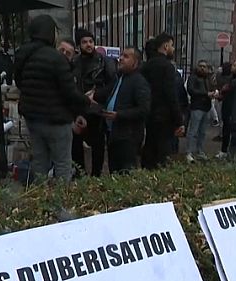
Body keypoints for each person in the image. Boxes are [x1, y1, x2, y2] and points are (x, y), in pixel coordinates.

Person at [14, 15, 90, 183]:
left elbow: (20, 82)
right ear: (49, 33)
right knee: (62, 164)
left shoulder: (23, 55)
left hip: (33, 118)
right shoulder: (56, 59)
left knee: (40, 163)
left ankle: (40, 203)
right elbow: (69, 92)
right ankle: (60, 205)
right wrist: (86, 101)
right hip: (56, 121)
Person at [92, 47, 150, 174]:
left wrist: (119, 115)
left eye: (126, 56)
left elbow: (144, 109)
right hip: (114, 134)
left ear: (135, 63)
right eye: (122, 56)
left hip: (128, 136)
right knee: (115, 172)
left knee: (126, 172)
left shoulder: (139, 81)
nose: (121, 59)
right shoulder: (119, 78)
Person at [71, 29, 116, 177]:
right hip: (78, 108)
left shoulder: (104, 61)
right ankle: (79, 175)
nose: (89, 45)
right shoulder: (74, 62)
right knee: (76, 146)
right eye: (84, 42)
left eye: (90, 41)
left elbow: (111, 84)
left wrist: (96, 95)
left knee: (98, 146)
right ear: (79, 45)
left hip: (96, 109)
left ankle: (96, 176)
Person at [141, 32, 185, 169]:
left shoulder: (146, 66)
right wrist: (179, 120)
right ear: (165, 46)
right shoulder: (167, 67)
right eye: (172, 45)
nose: (173, 49)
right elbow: (171, 95)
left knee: (149, 148)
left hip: (149, 114)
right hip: (164, 117)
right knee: (163, 154)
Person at [186, 60, 216, 162]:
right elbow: (191, 90)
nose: (202, 68)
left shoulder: (207, 78)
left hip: (206, 107)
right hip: (197, 107)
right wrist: (205, 94)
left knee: (202, 132)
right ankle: (189, 152)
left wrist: (213, 93)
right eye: (200, 66)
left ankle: (200, 151)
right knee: (193, 131)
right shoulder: (193, 77)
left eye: (204, 66)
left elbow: (211, 88)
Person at [216, 60, 236, 158]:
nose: (233, 67)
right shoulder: (230, 78)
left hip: (234, 108)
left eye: (235, 65)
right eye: (233, 65)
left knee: (232, 131)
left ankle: (230, 151)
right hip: (227, 107)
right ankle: (224, 150)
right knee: (226, 129)